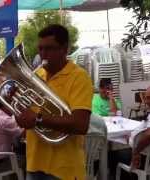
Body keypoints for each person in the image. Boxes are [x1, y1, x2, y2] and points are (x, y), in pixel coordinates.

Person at [14, 24, 93, 180]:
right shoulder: (37, 75)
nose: (43, 54)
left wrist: (37, 119)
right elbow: (26, 115)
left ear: (65, 49)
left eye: (49, 48)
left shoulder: (79, 77)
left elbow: (81, 124)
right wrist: (19, 112)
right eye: (41, 49)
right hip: (35, 163)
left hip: (64, 168)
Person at [130, 85, 150, 169]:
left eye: (149, 98)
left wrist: (136, 152)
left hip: (147, 158)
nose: (146, 101)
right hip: (146, 154)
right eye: (145, 98)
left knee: (113, 155)